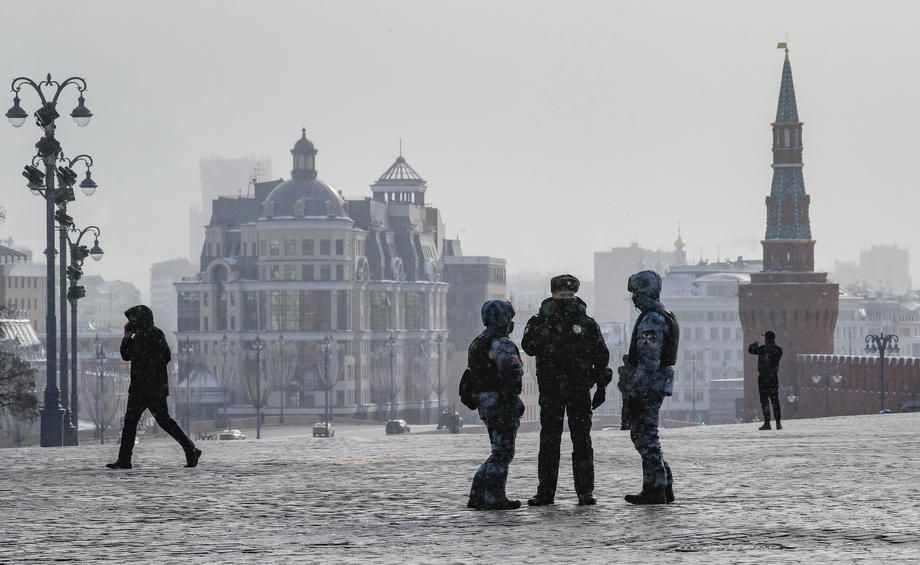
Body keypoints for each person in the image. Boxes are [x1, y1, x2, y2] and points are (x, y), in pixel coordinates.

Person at [522, 274, 611, 506]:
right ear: (553, 294)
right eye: (562, 296)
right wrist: (546, 329)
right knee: (549, 441)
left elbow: (601, 355)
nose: (567, 299)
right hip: (551, 388)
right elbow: (528, 347)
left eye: (571, 296)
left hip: (579, 388)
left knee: (581, 441)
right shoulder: (540, 320)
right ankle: (545, 492)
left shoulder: (586, 322)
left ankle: (585, 491)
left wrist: (601, 385)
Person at [106, 305, 201, 469]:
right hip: (139, 388)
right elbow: (126, 355)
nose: (132, 323)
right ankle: (124, 459)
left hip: (153, 388)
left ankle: (190, 449)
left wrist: (145, 358)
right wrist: (127, 337)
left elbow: (166, 356)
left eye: (134, 320)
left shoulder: (156, 334)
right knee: (130, 423)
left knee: (164, 421)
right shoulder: (137, 337)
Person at [618, 270, 677, 505]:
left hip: (649, 386)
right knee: (648, 436)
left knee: (645, 436)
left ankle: (655, 488)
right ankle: (663, 484)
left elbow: (648, 359)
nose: (633, 298)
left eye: (635, 292)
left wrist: (636, 392)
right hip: (657, 383)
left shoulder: (652, 318)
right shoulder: (663, 314)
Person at [466, 300, 525, 510]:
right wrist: (512, 400)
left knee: (497, 450)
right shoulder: (501, 344)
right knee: (503, 452)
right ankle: (493, 496)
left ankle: (478, 494)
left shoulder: (478, 342)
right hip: (501, 403)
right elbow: (512, 373)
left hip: (485, 402)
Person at [748, 330, 783, 430]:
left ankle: (767, 423)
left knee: (764, 401)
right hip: (773, 378)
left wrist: (754, 344)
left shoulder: (762, 349)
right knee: (775, 401)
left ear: (766, 339)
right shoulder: (779, 350)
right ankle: (778, 423)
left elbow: (751, 350)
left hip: (763, 379)